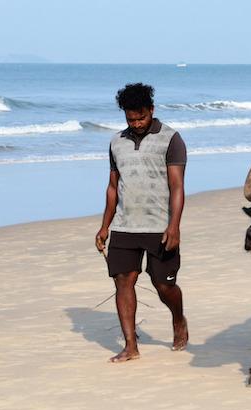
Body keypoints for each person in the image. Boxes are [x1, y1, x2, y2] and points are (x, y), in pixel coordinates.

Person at [95, 82, 188, 362]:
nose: (136, 123)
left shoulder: (171, 139)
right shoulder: (116, 142)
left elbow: (177, 187)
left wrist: (174, 226)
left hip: (160, 226)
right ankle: (130, 346)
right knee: (123, 281)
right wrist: (105, 226)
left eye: (141, 117)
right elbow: (113, 187)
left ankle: (178, 318)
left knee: (164, 286)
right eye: (130, 119)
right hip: (125, 225)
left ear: (152, 110)